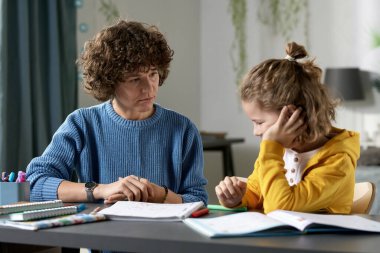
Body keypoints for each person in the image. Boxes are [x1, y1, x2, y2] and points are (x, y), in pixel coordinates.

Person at [26, 20, 208, 205]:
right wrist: (101, 189)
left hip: (163, 233)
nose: (149, 88)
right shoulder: (81, 123)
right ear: (109, 81)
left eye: (153, 74)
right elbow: (36, 183)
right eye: (135, 79)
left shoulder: (183, 129)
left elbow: (198, 200)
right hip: (99, 231)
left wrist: (160, 194)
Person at [215, 42, 360, 214]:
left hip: (322, 241)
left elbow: (281, 208)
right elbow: (257, 191)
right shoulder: (281, 149)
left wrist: (271, 147)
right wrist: (238, 198)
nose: (256, 132)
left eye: (259, 123)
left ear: (291, 115)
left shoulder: (337, 162)